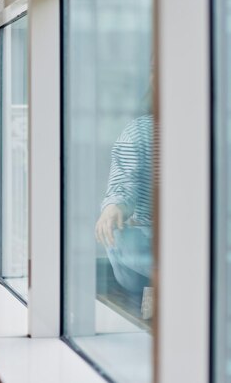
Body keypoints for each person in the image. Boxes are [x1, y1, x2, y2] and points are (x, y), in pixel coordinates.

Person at [94, 114, 154, 318]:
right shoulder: (140, 131)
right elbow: (125, 184)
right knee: (120, 237)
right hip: (149, 238)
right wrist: (115, 207)